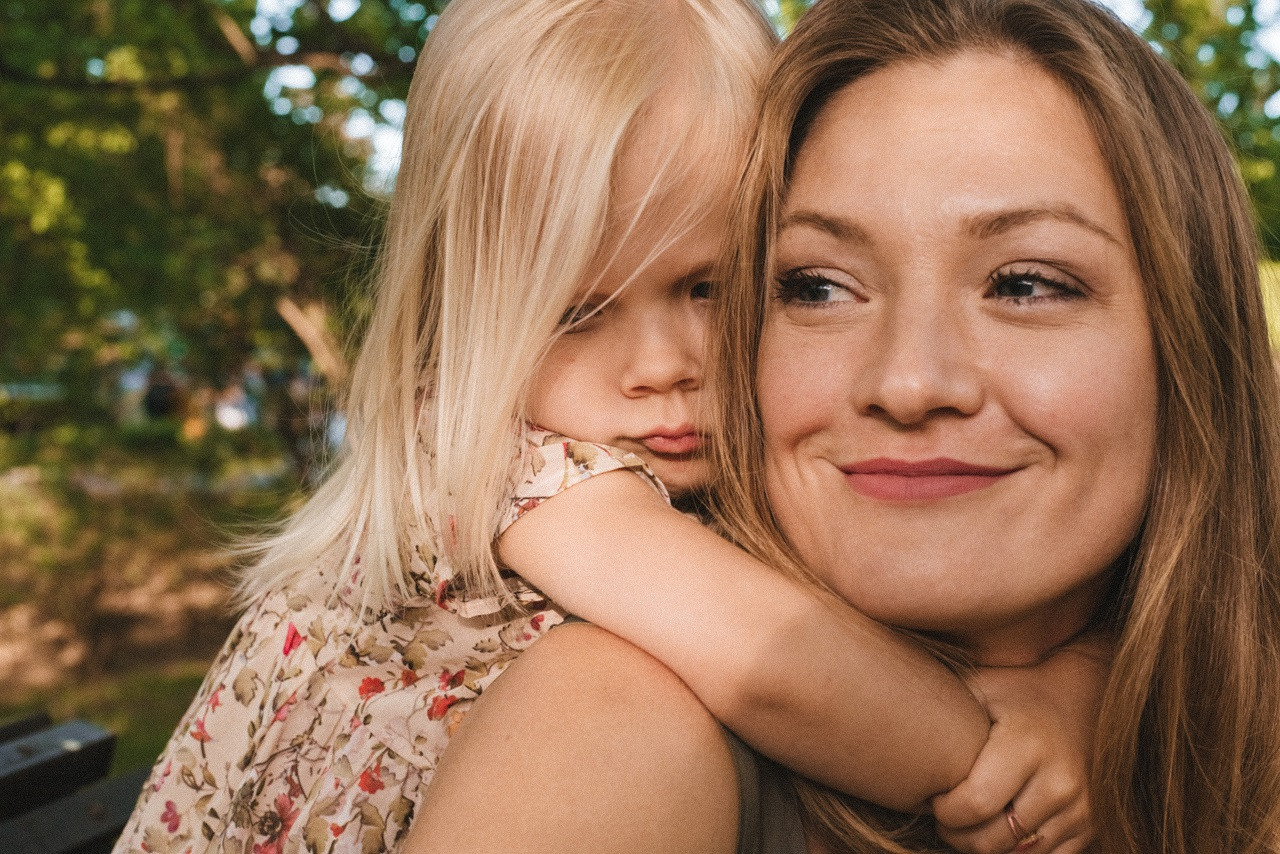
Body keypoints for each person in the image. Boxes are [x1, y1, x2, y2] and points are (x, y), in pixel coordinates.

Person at [112, 2, 1100, 852]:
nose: (659, 363)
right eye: (577, 311)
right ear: (465, 316)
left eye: (709, 287)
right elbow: (773, 662)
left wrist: (1071, 683)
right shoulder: (511, 465)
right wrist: (983, 754)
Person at [404, 0, 1280, 852]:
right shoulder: (615, 728)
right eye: (818, 285)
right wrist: (993, 752)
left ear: (1192, 343)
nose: (908, 383)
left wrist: (1090, 686)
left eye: (1025, 283)